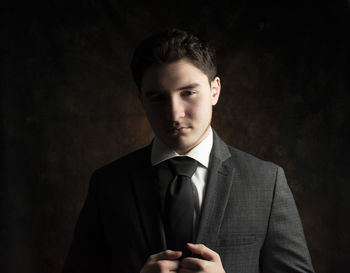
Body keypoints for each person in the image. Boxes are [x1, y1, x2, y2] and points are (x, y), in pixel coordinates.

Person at [63, 28, 315, 273]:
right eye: (158, 98)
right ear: (141, 99)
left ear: (214, 90)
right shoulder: (107, 185)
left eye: (188, 93)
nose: (174, 114)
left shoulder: (266, 182)